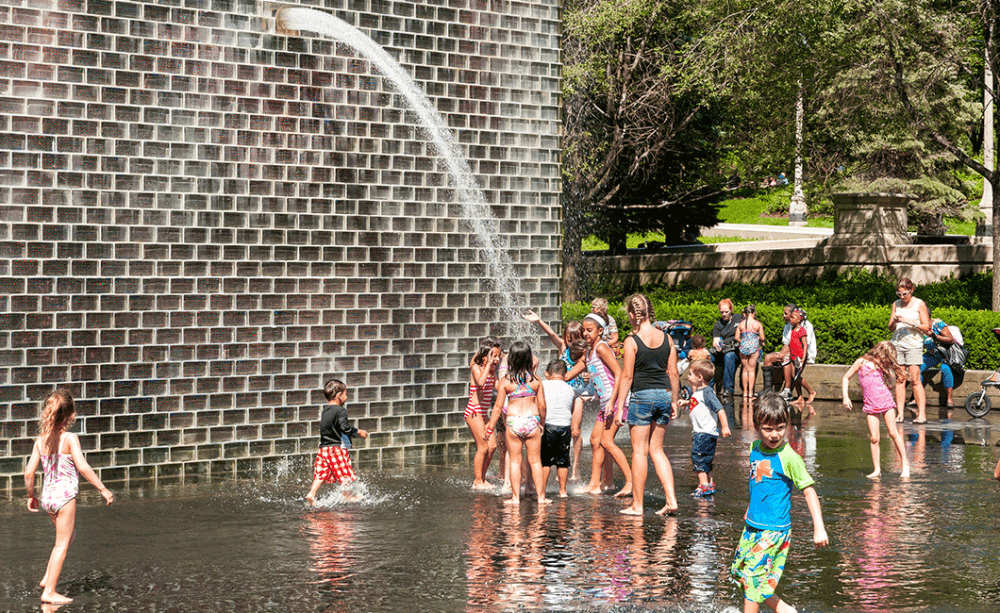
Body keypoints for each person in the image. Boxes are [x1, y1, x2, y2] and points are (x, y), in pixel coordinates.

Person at [731, 393, 828, 613]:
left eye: (780, 428)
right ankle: (785, 610)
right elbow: (758, 483)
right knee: (740, 572)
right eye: (768, 429)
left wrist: (819, 527)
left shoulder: (789, 457)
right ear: (757, 426)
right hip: (753, 525)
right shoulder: (754, 448)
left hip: (774, 530)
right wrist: (750, 508)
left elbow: (809, 491)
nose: (774, 435)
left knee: (754, 581)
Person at [23, 389, 114, 604]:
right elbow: (82, 466)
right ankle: (50, 592)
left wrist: (30, 495)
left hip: (48, 498)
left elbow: (28, 472)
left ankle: (48, 578)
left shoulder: (40, 440)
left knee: (68, 537)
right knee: (61, 545)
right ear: (71, 416)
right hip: (64, 499)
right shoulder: (69, 438)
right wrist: (102, 488)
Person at [612, 294, 681, 516]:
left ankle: (637, 505)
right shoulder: (667, 339)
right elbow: (673, 373)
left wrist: (620, 406)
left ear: (632, 315)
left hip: (642, 397)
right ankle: (671, 500)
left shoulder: (632, 341)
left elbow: (627, 376)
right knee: (657, 450)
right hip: (663, 395)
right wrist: (674, 400)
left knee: (640, 452)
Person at [566, 313, 632, 496]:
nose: (586, 334)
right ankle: (604, 482)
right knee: (596, 440)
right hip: (606, 403)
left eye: (590, 330)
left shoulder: (602, 348)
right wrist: (556, 379)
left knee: (606, 441)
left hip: (615, 400)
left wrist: (613, 402)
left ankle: (631, 480)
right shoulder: (589, 353)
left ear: (600, 331)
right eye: (584, 330)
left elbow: (619, 373)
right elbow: (573, 371)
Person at [485, 341, 550, 505]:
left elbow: (498, 406)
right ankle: (541, 497)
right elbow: (542, 405)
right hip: (531, 421)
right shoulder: (536, 380)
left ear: (510, 361)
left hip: (513, 422)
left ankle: (515, 497)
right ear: (529, 359)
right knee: (535, 461)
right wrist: (541, 422)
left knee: (515, 461)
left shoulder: (506, 381)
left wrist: (490, 426)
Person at [841, 341, 911, 479]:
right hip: (870, 403)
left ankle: (905, 464)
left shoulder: (882, 365)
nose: (887, 360)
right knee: (874, 437)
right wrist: (845, 396)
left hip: (885, 401)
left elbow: (891, 383)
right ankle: (876, 469)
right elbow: (846, 377)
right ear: (881, 352)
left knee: (893, 432)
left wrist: (889, 379)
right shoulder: (862, 362)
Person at [306, 379, 369, 505]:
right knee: (345, 472)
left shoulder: (325, 410)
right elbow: (343, 427)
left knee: (321, 473)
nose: (346, 396)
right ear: (339, 395)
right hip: (336, 448)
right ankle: (347, 495)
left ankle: (312, 493)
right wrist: (358, 432)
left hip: (324, 448)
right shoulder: (340, 411)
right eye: (345, 394)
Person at [686, 360, 732, 497]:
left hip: (703, 433)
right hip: (704, 433)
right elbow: (698, 403)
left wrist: (724, 427)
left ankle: (703, 486)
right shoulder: (700, 392)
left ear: (700, 378)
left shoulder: (707, 392)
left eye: (690, 374)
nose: (688, 377)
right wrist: (686, 402)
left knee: (698, 459)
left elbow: (720, 409)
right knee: (706, 460)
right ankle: (710, 483)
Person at [889, 278, 931, 423]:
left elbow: (927, 327)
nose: (902, 297)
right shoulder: (896, 304)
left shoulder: (919, 304)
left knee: (914, 379)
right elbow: (890, 327)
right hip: (898, 344)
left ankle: (922, 414)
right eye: (899, 294)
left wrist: (910, 322)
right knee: (900, 379)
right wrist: (894, 320)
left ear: (911, 290)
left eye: (904, 294)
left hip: (913, 345)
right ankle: (900, 413)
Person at [540, 360, 583, 497]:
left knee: (545, 461)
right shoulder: (570, 389)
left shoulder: (543, 385)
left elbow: (540, 405)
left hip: (548, 425)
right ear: (565, 375)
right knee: (563, 461)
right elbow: (571, 409)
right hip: (564, 427)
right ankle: (563, 491)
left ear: (547, 373)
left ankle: (542, 490)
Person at [465, 337, 502, 489]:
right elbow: (480, 383)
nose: (497, 359)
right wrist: (487, 362)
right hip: (474, 412)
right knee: (483, 447)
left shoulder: (492, 372)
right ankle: (477, 481)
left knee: (492, 446)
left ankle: (482, 477)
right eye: (493, 356)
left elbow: (500, 387)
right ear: (485, 355)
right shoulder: (477, 368)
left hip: (483, 414)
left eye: (498, 356)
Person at [762, 303, 817, 395]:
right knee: (768, 357)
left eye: (786, 314)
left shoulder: (806, 327)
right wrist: (780, 354)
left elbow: (804, 345)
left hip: (802, 354)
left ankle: (787, 390)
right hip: (792, 352)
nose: (783, 316)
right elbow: (787, 343)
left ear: (794, 315)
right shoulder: (789, 324)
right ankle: (767, 389)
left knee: (786, 358)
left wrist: (783, 355)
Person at [920, 316, 963, 410]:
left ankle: (949, 399)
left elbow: (950, 339)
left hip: (946, 354)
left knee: (945, 368)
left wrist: (934, 336)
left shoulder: (938, 324)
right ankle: (917, 398)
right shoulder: (918, 327)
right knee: (917, 368)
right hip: (932, 354)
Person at [781, 308, 816, 405]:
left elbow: (805, 345)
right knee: (793, 376)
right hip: (793, 356)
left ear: (799, 320)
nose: (790, 319)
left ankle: (811, 392)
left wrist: (803, 358)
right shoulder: (792, 329)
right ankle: (800, 397)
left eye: (793, 317)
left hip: (799, 357)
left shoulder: (802, 331)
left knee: (796, 376)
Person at [711, 299, 742, 397]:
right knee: (708, 356)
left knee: (729, 356)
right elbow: (715, 342)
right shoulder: (718, 324)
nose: (724, 314)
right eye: (722, 312)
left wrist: (727, 341)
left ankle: (728, 389)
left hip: (736, 351)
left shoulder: (739, 318)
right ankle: (709, 388)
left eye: (726, 312)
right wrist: (718, 346)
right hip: (722, 351)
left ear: (731, 310)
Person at [737, 304, 765, 401]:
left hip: (743, 347)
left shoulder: (741, 324)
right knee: (752, 370)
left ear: (745, 314)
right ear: (753, 313)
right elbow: (762, 337)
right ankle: (750, 392)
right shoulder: (757, 324)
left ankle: (744, 392)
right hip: (754, 347)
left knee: (745, 369)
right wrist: (761, 342)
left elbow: (736, 337)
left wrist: (744, 341)